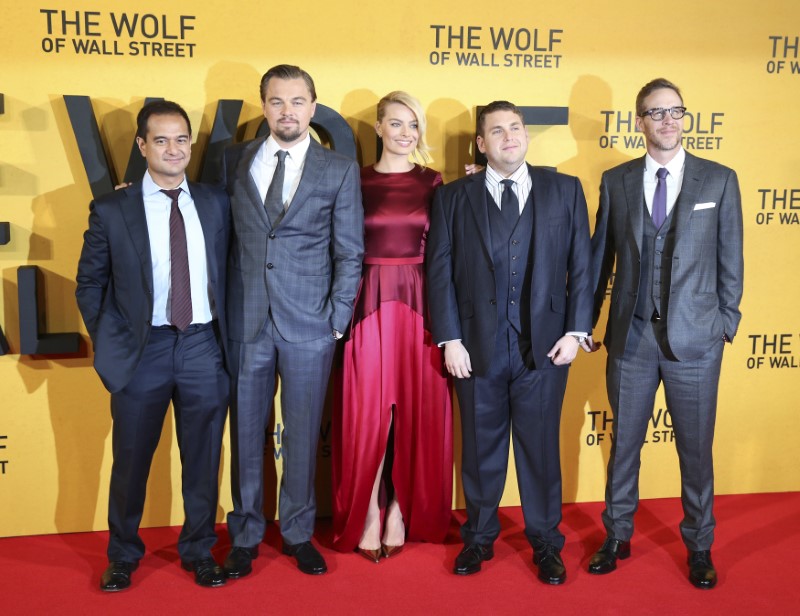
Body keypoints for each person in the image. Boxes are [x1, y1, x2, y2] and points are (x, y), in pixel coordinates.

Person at [586, 78, 743, 589]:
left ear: (685, 118)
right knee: (624, 445)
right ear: (640, 121)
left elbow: (730, 261)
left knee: (696, 452)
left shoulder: (718, 180)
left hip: (696, 343)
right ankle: (617, 535)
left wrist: (726, 321)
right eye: (657, 113)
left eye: (676, 111)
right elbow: (598, 262)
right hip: (630, 342)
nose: (668, 121)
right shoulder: (617, 181)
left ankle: (699, 545)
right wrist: (585, 323)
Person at [427, 100, 593, 584]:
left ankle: (545, 541)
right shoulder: (453, 197)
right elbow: (439, 273)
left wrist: (576, 331)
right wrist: (449, 339)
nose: (508, 137)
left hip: (545, 349)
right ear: (481, 144)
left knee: (540, 450)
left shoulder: (564, 189)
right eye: (496, 131)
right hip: (475, 348)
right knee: (480, 450)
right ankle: (478, 538)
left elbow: (581, 265)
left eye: (515, 128)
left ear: (526, 135)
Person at [76, 100, 230, 591]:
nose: (173, 149)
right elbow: (89, 284)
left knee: (204, 460)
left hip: (204, 346)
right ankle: (122, 554)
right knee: (131, 460)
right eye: (160, 140)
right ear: (142, 146)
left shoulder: (215, 201)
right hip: (144, 351)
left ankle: (200, 550)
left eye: (181, 139)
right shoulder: (112, 208)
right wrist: (114, 341)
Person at [219, 64, 364, 577]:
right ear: (264, 107)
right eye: (277, 102)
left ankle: (299, 532)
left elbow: (350, 252)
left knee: (302, 435)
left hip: (311, 327)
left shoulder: (339, 169)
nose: (288, 111)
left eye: (298, 101)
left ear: (313, 106)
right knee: (246, 436)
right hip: (248, 320)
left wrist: (337, 321)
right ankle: (246, 534)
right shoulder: (233, 161)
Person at [332, 92, 453, 563]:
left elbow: (446, 251)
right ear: (378, 128)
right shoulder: (353, 180)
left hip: (421, 303)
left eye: (414, 126)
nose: (406, 134)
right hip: (367, 302)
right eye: (397, 124)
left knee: (419, 412)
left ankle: (401, 509)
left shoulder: (434, 181)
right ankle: (365, 509)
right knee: (367, 416)